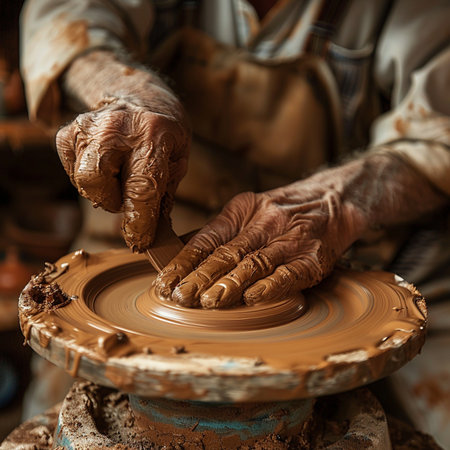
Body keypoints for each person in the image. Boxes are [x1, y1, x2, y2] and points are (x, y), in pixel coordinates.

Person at [20, 0, 449, 307]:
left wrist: (339, 202)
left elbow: (438, 136)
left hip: (348, 243)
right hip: (130, 243)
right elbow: (62, 19)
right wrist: (126, 90)